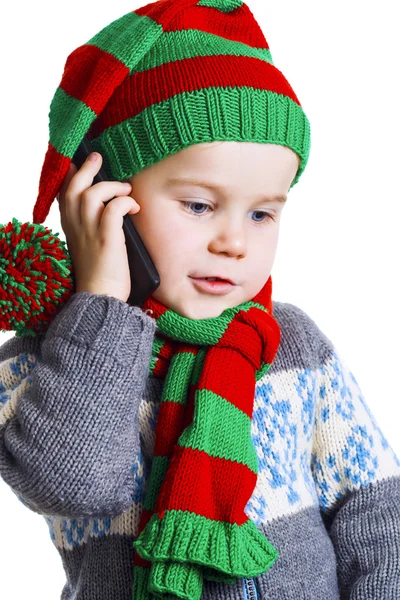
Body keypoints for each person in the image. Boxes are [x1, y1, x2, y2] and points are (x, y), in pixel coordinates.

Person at [0, 1, 399, 599]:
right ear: (104, 199)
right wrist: (102, 304)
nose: (234, 241)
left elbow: (375, 514)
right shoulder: (45, 362)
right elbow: (70, 483)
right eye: (199, 205)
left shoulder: (293, 347)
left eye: (262, 212)